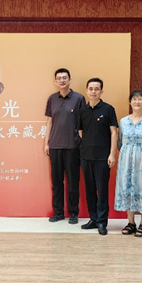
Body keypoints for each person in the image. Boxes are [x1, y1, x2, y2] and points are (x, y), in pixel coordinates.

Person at [44, 68, 85, 224]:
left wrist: (82, 143)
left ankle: (73, 213)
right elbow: (49, 122)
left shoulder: (79, 99)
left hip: (72, 146)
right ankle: (58, 212)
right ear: (55, 81)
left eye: (64, 78)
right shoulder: (52, 99)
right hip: (55, 146)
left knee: (73, 182)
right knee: (57, 182)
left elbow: (83, 123)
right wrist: (46, 143)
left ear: (70, 80)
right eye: (59, 78)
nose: (62, 80)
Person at [77, 77, 118, 235]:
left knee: (102, 190)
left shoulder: (108, 109)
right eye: (91, 89)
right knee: (89, 189)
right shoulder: (82, 111)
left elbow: (113, 132)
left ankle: (102, 222)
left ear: (101, 91)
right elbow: (81, 132)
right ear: (86, 91)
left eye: (96, 89)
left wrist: (112, 154)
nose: (93, 92)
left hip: (103, 157)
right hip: (86, 156)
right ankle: (93, 219)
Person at [115, 90, 142, 237]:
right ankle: (131, 222)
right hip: (126, 159)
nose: (137, 102)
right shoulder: (123, 121)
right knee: (126, 187)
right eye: (134, 99)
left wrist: (140, 153)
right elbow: (120, 142)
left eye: (140, 99)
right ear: (130, 102)